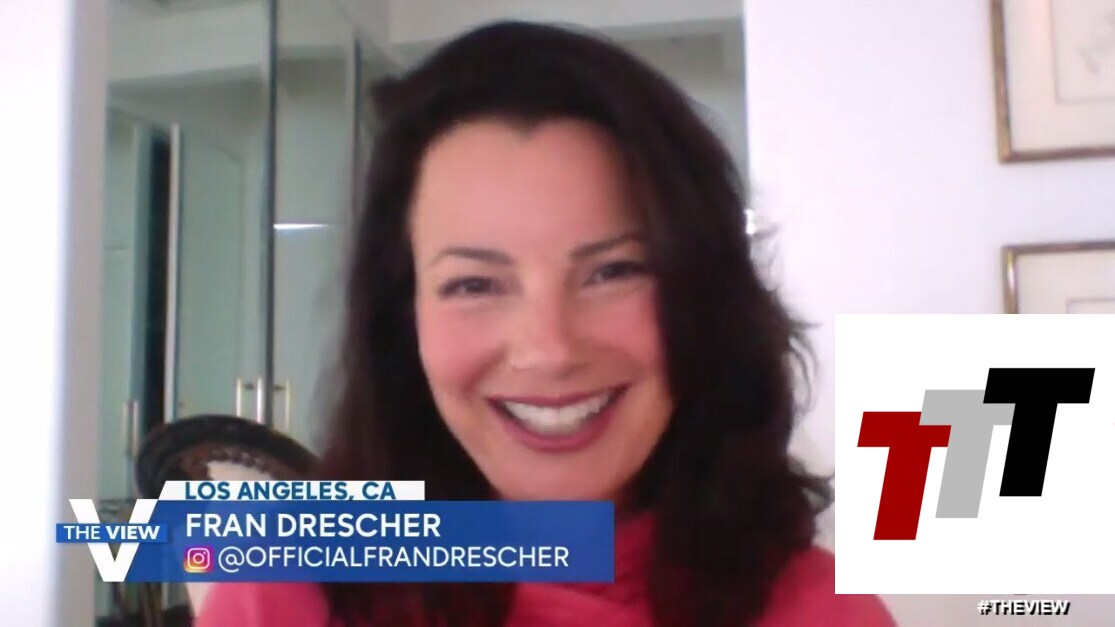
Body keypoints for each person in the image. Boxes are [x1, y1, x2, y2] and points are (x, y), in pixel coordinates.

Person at [196, 20, 896, 627]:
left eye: (612, 271)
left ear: (702, 296)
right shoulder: (283, 594)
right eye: (474, 284)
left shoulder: (822, 609)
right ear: (402, 323)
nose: (550, 349)